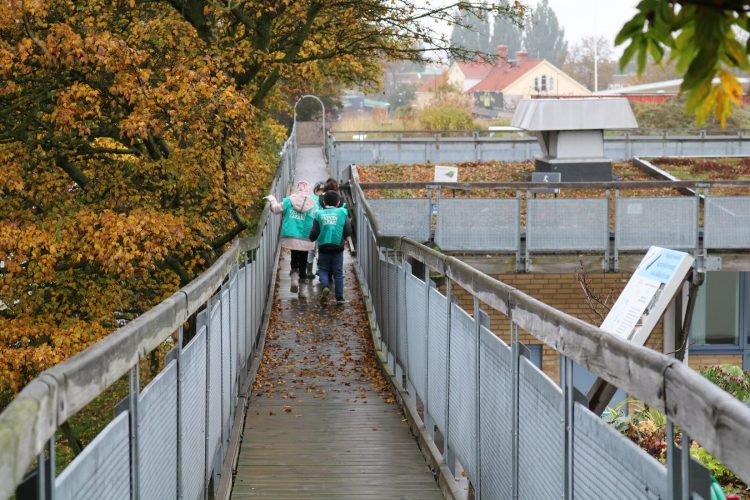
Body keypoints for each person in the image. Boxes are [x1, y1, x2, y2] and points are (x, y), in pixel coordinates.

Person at [265, 180, 317, 298]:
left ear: (297, 190)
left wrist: (272, 199)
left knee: (294, 255)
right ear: (307, 191)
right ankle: (302, 290)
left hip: (291, 235)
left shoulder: (289, 200)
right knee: (304, 259)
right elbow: (317, 217)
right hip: (306, 236)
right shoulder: (313, 204)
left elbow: (275, 209)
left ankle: (294, 276)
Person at [309, 190, 351, 303]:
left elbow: (313, 234)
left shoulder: (318, 214)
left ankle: (325, 286)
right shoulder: (342, 212)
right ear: (338, 202)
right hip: (338, 247)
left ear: (323, 201)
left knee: (323, 269)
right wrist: (345, 236)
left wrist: (311, 238)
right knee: (338, 272)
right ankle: (339, 297)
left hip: (323, 248)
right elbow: (347, 230)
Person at [306, 181, 326, 278]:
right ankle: (311, 270)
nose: (321, 192)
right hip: (316, 227)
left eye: (323, 190)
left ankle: (315, 269)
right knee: (315, 249)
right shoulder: (318, 200)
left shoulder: (314, 199)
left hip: (314, 227)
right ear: (316, 190)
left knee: (316, 250)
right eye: (320, 190)